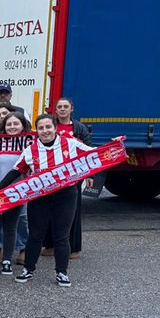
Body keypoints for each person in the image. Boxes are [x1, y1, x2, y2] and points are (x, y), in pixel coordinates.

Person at [0, 113, 93, 287]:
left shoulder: (70, 143)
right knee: (36, 235)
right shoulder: (31, 150)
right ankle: (28, 269)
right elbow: (16, 171)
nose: (45, 131)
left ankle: (62, 272)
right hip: (39, 198)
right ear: (37, 130)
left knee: (61, 236)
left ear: (55, 128)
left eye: (48, 127)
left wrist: (115, 145)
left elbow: (94, 154)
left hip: (65, 196)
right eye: (41, 128)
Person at [0, 110, 30, 275]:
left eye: (16, 123)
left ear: (23, 126)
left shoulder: (29, 146)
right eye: (9, 124)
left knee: (11, 227)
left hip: (16, 193)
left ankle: (7, 261)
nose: (12, 127)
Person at [50, 96, 92, 260]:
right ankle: (50, 245)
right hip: (52, 175)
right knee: (50, 210)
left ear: (71, 109)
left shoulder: (79, 128)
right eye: (59, 107)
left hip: (74, 175)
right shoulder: (50, 125)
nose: (62, 109)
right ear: (55, 110)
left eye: (65, 106)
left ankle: (73, 248)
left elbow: (88, 152)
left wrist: (90, 174)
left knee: (72, 212)